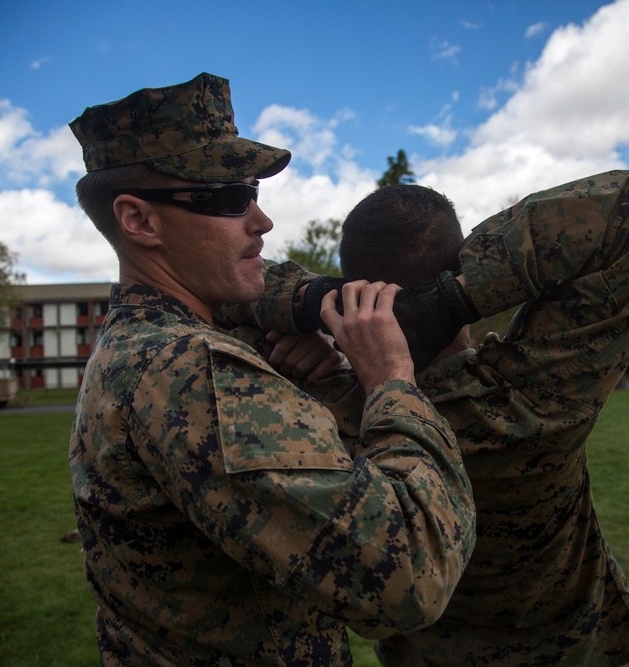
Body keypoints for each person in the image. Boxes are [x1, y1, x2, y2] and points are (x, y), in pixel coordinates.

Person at [66, 72, 476, 666]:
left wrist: (310, 342)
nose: (261, 220)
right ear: (140, 221)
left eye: (253, 191)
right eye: (228, 198)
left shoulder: (142, 346)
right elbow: (412, 574)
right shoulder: (189, 370)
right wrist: (391, 380)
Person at [257, 168, 629, 666]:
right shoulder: (531, 399)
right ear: (457, 263)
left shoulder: (332, 416)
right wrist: (458, 296)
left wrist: (318, 306)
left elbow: (210, 286)